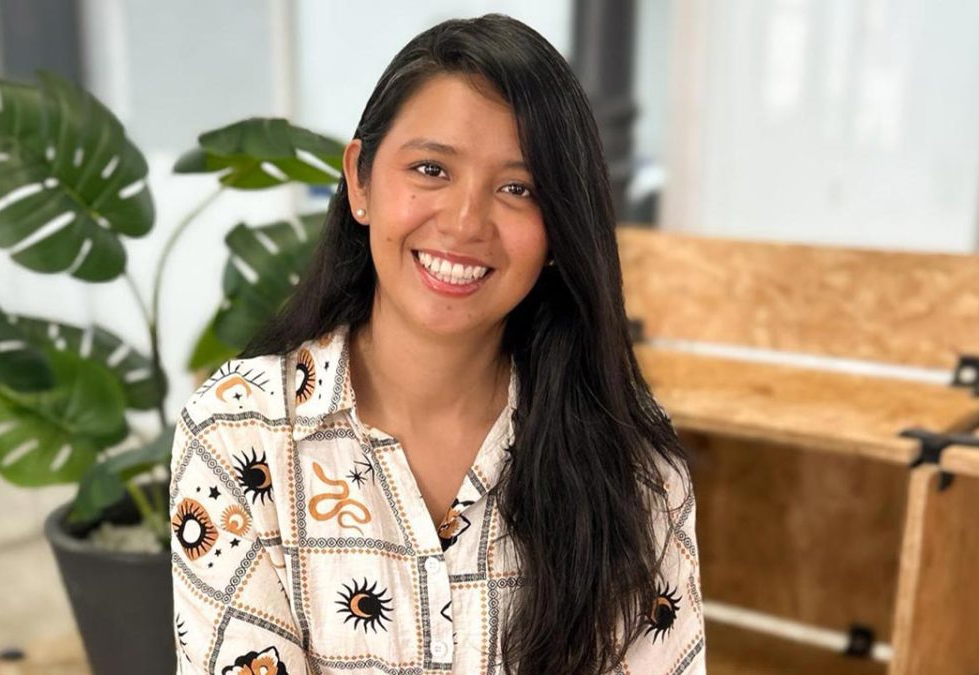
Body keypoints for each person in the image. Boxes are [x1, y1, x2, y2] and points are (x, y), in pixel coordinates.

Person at [170, 13, 704, 674]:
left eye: (519, 188)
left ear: (561, 225)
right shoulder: (237, 434)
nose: (463, 221)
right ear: (361, 180)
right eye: (430, 168)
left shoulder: (636, 465)